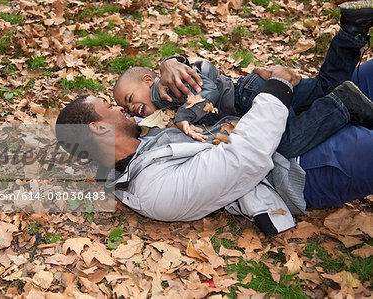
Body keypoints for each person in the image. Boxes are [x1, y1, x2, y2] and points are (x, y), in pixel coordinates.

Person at [55, 66, 373, 236]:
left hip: (291, 118)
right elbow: (244, 158)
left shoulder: (144, 135)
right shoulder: (153, 189)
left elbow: (158, 84)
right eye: (109, 107)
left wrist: (169, 66)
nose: (122, 109)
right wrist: (278, 88)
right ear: (98, 128)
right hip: (297, 165)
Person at [113, 1, 373, 158]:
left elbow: (209, 89)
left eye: (129, 98)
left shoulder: (167, 88)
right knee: (322, 87)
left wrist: (184, 116)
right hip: (254, 89)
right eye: (125, 108)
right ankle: (352, 30)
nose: (131, 108)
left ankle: (341, 105)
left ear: (148, 80)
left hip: (247, 98)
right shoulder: (161, 99)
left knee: (284, 145)